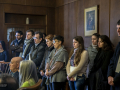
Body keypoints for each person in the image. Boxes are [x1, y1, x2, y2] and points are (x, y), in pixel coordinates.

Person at [108, 20, 120, 90]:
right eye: (117, 28)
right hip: (113, 79)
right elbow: (112, 61)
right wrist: (109, 75)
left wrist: (115, 79)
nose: (118, 30)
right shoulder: (118, 45)